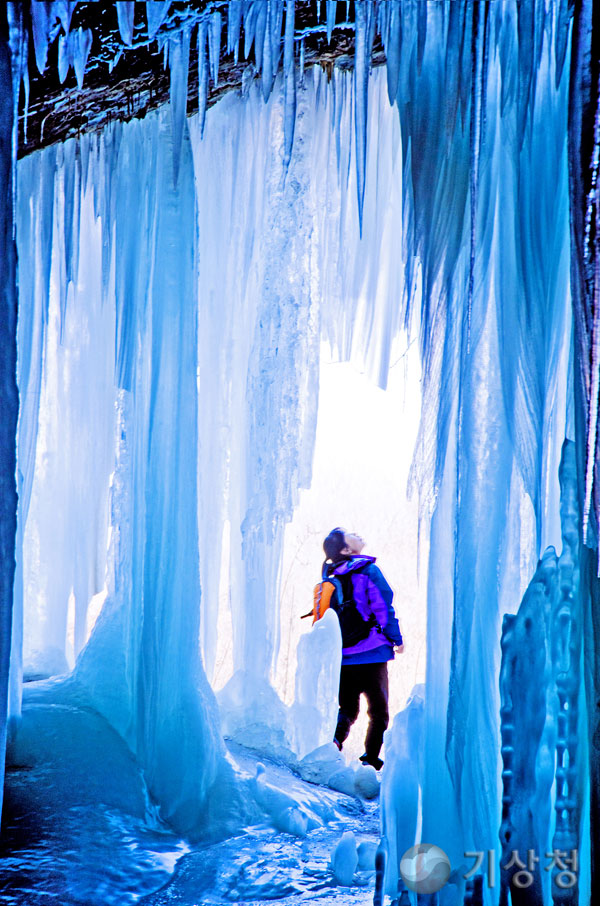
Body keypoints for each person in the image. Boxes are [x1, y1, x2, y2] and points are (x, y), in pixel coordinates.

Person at [321, 527, 403, 770]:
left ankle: (333, 743)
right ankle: (370, 761)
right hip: (372, 654)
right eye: (350, 536)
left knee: (347, 709)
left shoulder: (329, 578)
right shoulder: (368, 571)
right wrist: (396, 639)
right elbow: (383, 608)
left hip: (343, 657)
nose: (357, 534)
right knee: (378, 712)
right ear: (347, 550)